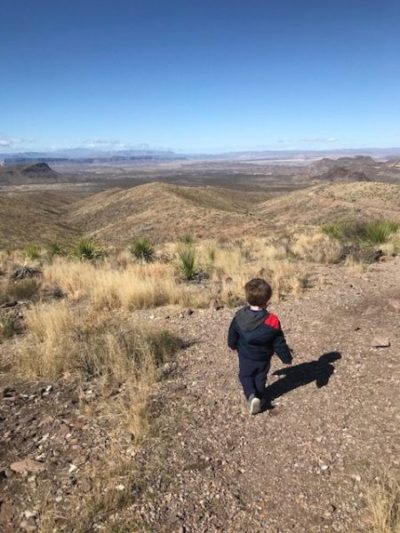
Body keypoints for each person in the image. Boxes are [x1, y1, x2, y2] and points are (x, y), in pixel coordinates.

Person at [227, 278, 293, 415]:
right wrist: (286, 358)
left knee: (245, 375)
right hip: (263, 357)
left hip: (246, 355)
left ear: (247, 299)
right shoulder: (273, 321)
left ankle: (251, 396)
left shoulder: (239, 316)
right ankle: (260, 396)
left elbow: (232, 332)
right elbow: (279, 342)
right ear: (267, 301)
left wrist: (232, 344)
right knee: (260, 376)